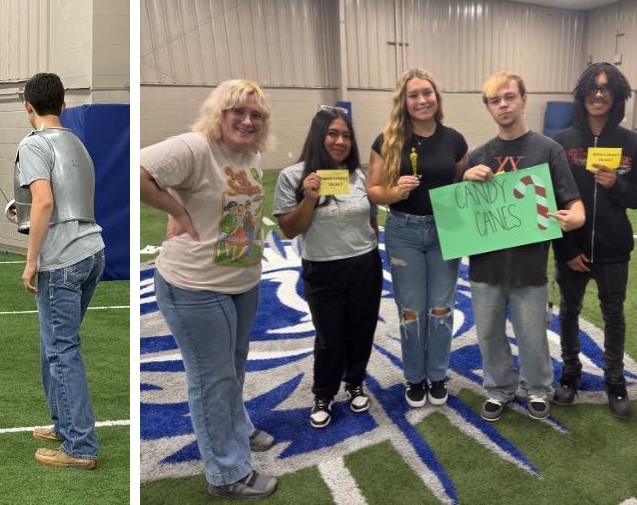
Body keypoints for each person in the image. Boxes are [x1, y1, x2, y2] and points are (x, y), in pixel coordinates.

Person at [140, 79, 278, 500]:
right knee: (212, 379)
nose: (248, 120)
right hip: (195, 286)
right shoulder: (196, 147)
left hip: (240, 282)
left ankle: (238, 429)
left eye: (256, 114)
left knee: (232, 367)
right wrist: (175, 210)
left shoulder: (248, 154)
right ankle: (226, 472)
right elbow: (138, 172)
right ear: (219, 113)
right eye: (238, 111)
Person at [463, 72, 584, 422]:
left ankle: (537, 388)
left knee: (532, 335)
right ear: (488, 107)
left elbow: (574, 204)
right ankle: (499, 389)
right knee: (488, 334)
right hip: (485, 266)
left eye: (509, 97)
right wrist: (465, 180)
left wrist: (574, 218)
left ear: (523, 100)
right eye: (495, 100)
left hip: (530, 265)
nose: (503, 105)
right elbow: (464, 213)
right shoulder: (479, 155)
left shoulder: (547, 150)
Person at [12, 72, 105, 470]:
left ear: (27, 106)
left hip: (62, 258)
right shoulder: (76, 142)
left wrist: (32, 260)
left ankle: (80, 447)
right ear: (63, 105)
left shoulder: (33, 145)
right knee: (55, 346)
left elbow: (45, 202)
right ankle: (64, 424)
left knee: (62, 351)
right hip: (92, 252)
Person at [550, 64, 637, 418]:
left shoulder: (633, 143)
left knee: (614, 316)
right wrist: (567, 248)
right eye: (593, 87)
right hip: (571, 249)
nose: (598, 93)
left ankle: (615, 379)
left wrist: (616, 185)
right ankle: (570, 373)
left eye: (607, 88)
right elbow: (550, 201)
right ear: (582, 93)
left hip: (613, 250)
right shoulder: (560, 143)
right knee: (569, 312)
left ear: (617, 96)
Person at [273, 107, 381, 429]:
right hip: (323, 268)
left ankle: (355, 382)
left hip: (364, 263)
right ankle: (324, 392)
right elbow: (290, 230)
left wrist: (371, 245)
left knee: (361, 331)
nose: (340, 141)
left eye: (346, 135)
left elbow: (372, 218)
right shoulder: (293, 176)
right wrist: (309, 197)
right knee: (330, 337)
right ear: (319, 137)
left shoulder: (360, 176)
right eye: (333, 134)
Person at [367, 68, 468, 408]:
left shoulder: (454, 139)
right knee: (411, 310)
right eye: (414, 95)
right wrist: (393, 192)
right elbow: (373, 191)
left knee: (441, 309)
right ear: (404, 102)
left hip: (445, 231)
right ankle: (414, 377)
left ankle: (437, 375)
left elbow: (459, 185)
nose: (422, 100)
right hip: (404, 232)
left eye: (427, 92)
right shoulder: (387, 140)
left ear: (436, 97)